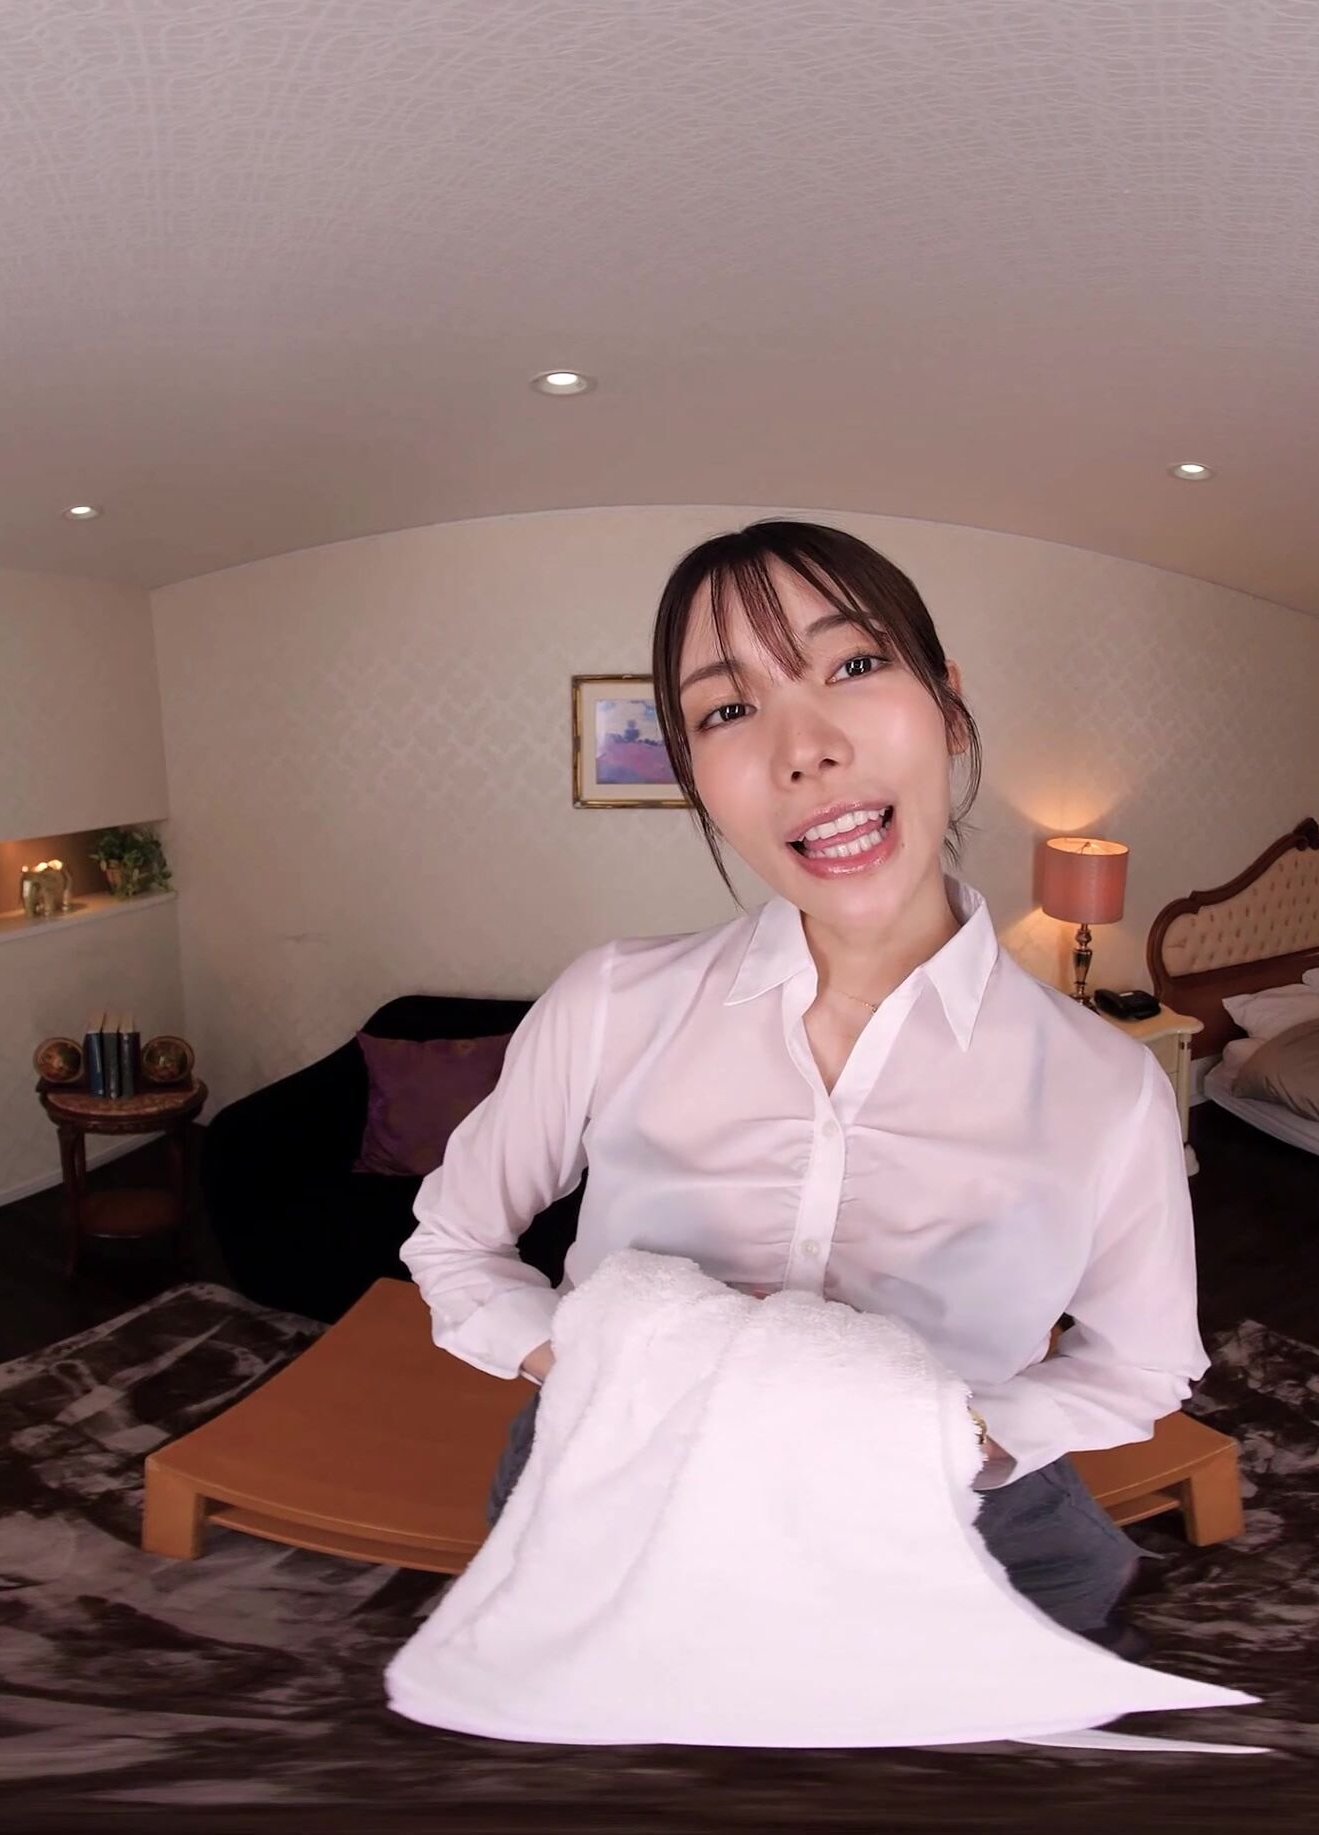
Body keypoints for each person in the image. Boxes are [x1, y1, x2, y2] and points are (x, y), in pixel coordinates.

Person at [403, 518, 1203, 1659]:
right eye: (728, 709)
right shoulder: (611, 1001)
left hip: (945, 1515)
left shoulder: (1107, 1085)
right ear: (696, 777)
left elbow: (1141, 1361)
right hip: (610, 1479)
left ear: (949, 707)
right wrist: (600, 1369)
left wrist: (963, 1436)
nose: (805, 748)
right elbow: (454, 1239)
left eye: (855, 663)